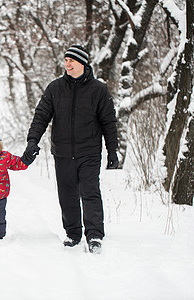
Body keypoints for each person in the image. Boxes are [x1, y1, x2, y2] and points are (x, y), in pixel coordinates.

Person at [25, 45, 119, 254]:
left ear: (83, 63)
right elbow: (41, 116)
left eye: (72, 60)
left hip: (90, 151)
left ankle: (94, 235)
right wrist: (33, 140)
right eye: (66, 60)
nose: (67, 64)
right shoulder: (55, 88)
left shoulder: (99, 90)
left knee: (90, 192)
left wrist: (112, 150)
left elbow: (109, 122)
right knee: (67, 195)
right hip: (63, 152)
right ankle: (73, 233)